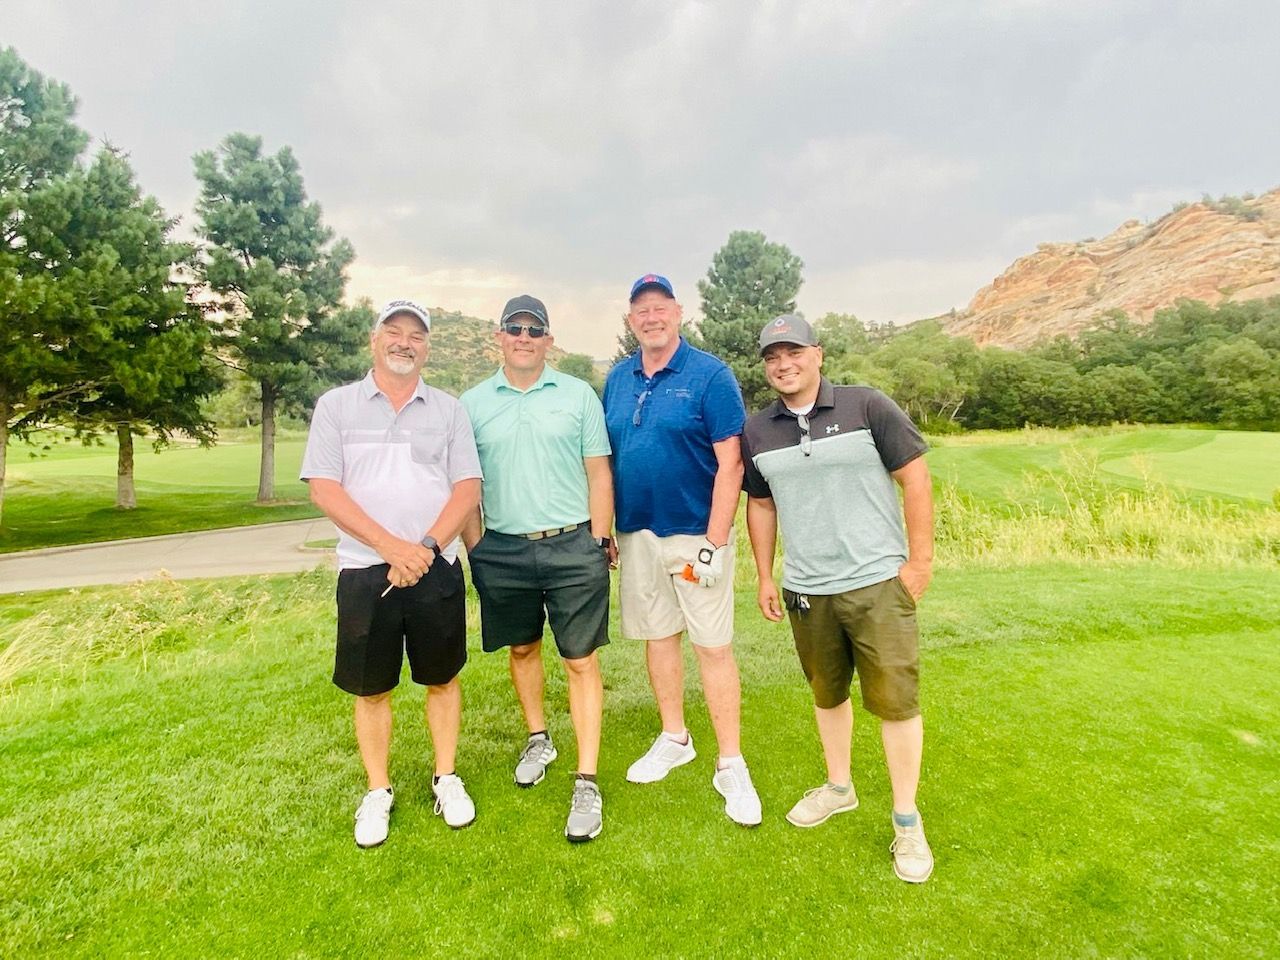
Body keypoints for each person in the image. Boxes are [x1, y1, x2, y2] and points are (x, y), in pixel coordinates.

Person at [742, 314, 935, 882]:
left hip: (877, 584)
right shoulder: (758, 430)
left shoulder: (866, 405)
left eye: (793, 352)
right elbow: (761, 505)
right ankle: (838, 787)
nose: (784, 364)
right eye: (773, 356)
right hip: (807, 589)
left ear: (818, 353)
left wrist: (919, 562)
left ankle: (907, 821)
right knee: (827, 695)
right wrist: (764, 575)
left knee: (896, 704)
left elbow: (916, 478)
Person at [301, 299, 482, 848]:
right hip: (365, 570)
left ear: (428, 347)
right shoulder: (336, 406)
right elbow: (324, 487)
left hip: (434, 565)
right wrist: (389, 547)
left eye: (416, 336)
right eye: (395, 332)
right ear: (374, 340)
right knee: (372, 686)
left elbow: (467, 488)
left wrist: (424, 548)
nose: (405, 343)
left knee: (442, 678)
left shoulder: (449, 410)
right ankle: (378, 790)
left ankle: (446, 776)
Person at [602, 273, 762, 827]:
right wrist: (607, 529)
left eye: (660, 307)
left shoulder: (710, 375)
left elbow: (730, 464)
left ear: (678, 313)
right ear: (631, 320)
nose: (651, 317)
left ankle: (730, 761)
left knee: (712, 646)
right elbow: (608, 460)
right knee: (658, 636)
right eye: (641, 310)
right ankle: (675, 738)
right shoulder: (618, 379)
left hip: (696, 535)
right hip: (638, 533)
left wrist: (716, 542)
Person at [460, 295, 614, 843]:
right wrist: (477, 548)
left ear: (549, 340)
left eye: (535, 329)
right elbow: (466, 484)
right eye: (515, 328)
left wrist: (600, 539)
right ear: (498, 337)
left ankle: (587, 780)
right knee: (522, 649)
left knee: (580, 659)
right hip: (502, 548)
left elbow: (599, 472)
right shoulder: (472, 404)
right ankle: (538, 738)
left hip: (573, 544)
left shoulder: (577, 395)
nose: (524, 337)